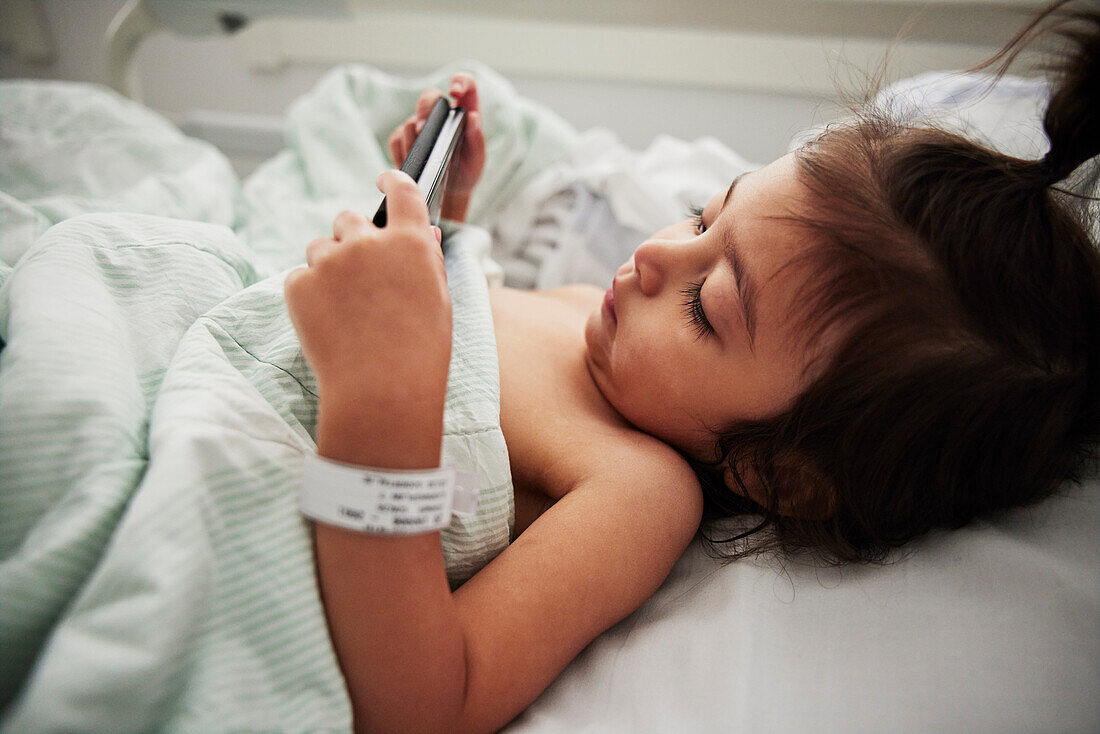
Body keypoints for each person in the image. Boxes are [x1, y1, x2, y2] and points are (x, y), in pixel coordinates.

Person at [283, 2, 1099, 731]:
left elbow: (428, 703)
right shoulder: (597, 318)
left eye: (706, 306)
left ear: (780, 474)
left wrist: (375, 402)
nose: (652, 256)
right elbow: (478, 337)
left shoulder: (638, 494)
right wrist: (441, 231)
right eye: (700, 216)